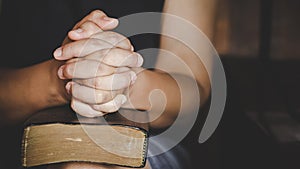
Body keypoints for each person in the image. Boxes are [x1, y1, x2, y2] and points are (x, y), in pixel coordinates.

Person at [0, 0, 218, 168]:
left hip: (155, 137)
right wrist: (63, 77)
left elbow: (192, 86)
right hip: (15, 135)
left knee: (89, 161)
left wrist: (124, 83)